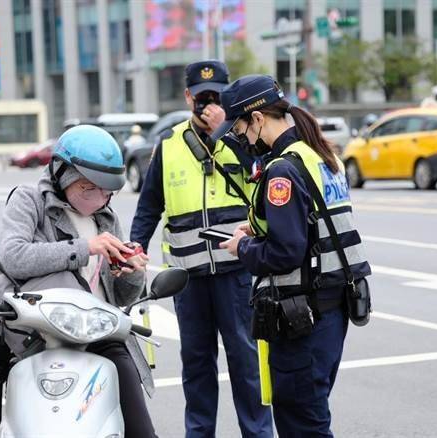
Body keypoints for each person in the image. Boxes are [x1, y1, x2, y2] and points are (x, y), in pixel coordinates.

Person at [213, 74, 372, 437]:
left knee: (303, 424)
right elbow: (316, 221)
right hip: (332, 309)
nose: (240, 137)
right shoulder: (320, 154)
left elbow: (285, 253)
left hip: (303, 317)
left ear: (257, 119)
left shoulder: (282, 169)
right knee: (312, 414)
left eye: (239, 127)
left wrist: (243, 247)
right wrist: (258, 228)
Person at [130, 61, 273, 438]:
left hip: (238, 271)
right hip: (188, 278)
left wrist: (225, 134)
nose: (208, 103)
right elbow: (149, 207)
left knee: (246, 363)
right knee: (196, 366)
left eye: (216, 96)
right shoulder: (169, 145)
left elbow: (264, 176)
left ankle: (258, 433)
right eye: (202, 96)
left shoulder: (244, 137)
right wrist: (135, 250)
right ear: (188, 97)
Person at [0, 125, 157, 438]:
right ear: (61, 174)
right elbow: (13, 257)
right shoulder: (30, 201)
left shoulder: (106, 217)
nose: (99, 198)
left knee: (139, 429)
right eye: (89, 188)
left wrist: (131, 272)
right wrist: (85, 248)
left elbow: (121, 296)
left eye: (107, 191)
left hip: (99, 332)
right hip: (44, 332)